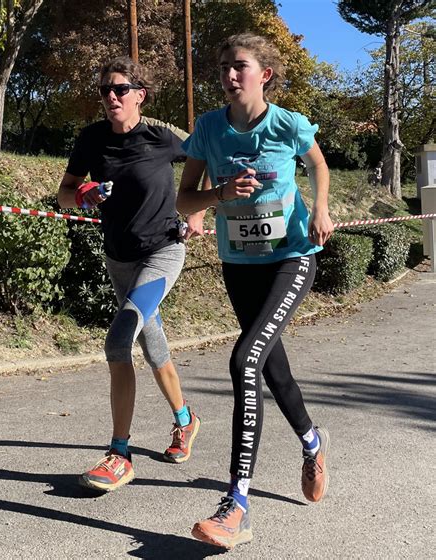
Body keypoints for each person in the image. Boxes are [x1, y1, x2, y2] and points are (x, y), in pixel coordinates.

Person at [177, 34, 334, 549]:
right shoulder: (208, 129)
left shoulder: (286, 123)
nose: (228, 75)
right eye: (223, 67)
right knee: (272, 367)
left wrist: (320, 209)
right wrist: (214, 198)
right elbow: (185, 198)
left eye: (238, 66)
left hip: (291, 259)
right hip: (239, 265)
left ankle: (236, 504)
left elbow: (317, 164)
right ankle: (312, 443)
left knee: (244, 360)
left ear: (263, 74)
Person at [58, 56, 203, 492]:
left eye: (121, 89)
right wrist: (83, 195)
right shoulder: (91, 140)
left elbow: (205, 159)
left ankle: (119, 453)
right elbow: (64, 194)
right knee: (151, 340)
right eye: (105, 91)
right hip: (119, 259)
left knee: (119, 339)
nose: (112, 97)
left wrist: (195, 210)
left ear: (140, 95)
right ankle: (185, 419)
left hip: (161, 253)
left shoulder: (161, 138)